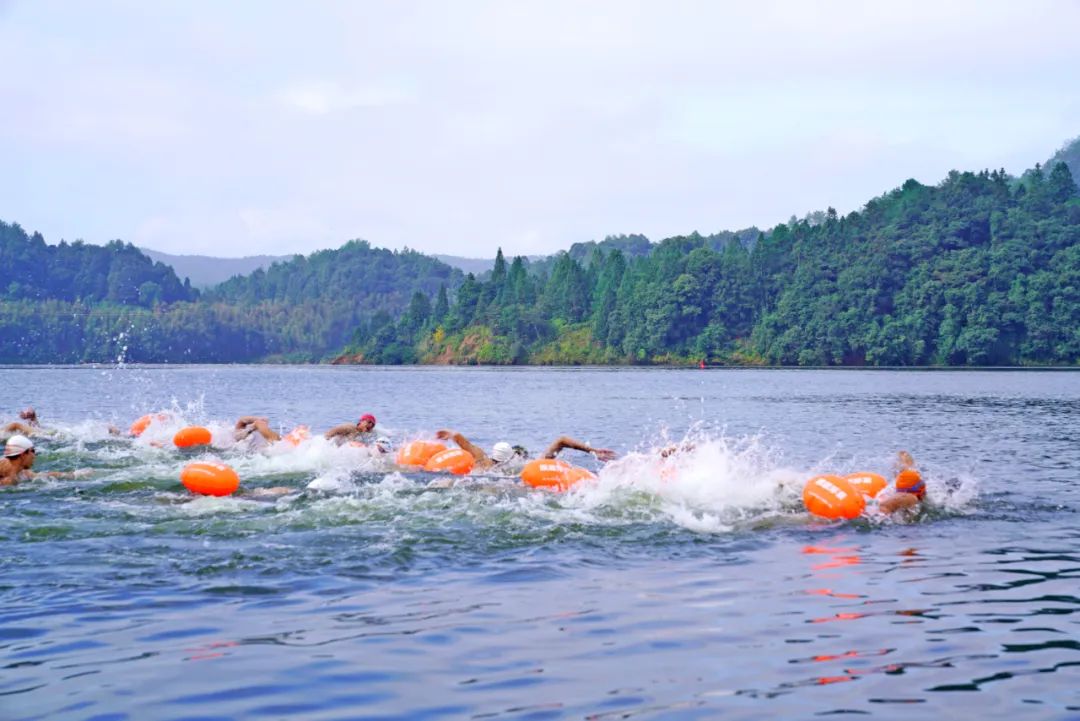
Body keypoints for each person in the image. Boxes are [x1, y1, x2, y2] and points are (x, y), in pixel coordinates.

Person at [435, 429, 615, 472]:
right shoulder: (526, 466)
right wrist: (593, 451)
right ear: (513, 457)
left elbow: (465, 443)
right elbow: (561, 440)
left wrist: (451, 434)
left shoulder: (482, 461)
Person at [0, 435, 87, 486]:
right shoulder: (7, 475)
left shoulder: (22, 472)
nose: (34, 456)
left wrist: (74, 474)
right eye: (32, 451)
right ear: (23, 454)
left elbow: (43, 475)